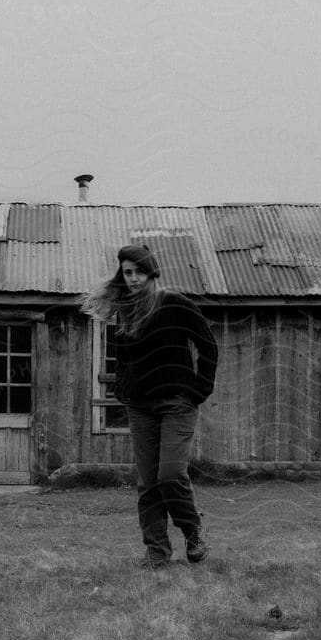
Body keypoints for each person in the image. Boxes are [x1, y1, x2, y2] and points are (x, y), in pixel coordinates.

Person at [80, 243, 219, 568]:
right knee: (148, 483)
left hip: (178, 404)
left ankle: (193, 531)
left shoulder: (176, 304)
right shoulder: (127, 311)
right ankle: (157, 553)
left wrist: (200, 389)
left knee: (170, 474)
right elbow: (123, 356)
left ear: (152, 271)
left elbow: (208, 345)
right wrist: (122, 386)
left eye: (138, 271)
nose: (132, 278)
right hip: (140, 406)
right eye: (126, 272)